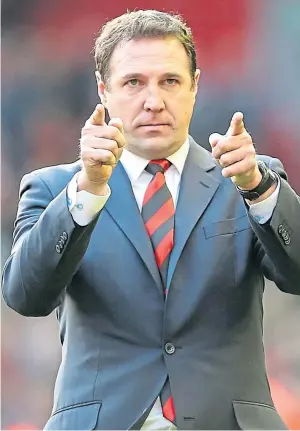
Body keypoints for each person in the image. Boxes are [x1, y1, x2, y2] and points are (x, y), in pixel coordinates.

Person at [2, 9, 300, 431]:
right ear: (103, 91)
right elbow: (25, 296)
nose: (154, 101)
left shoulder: (249, 177)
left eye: (171, 81)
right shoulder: (55, 188)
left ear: (195, 87)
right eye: (134, 83)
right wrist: (86, 191)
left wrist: (258, 188)